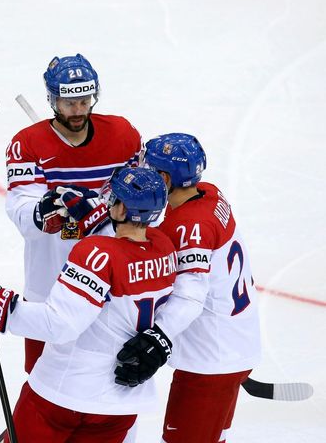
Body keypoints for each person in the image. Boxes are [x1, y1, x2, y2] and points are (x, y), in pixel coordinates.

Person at [0, 167, 175, 443]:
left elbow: (59, 325)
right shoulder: (164, 247)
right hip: (120, 403)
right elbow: (127, 251)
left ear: (121, 209)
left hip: (64, 394)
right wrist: (101, 224)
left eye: (114, 199)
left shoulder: (97, 253)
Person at [114, 133, 261, 443]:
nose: (146, 174)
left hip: (210, 360)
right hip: (233, 344)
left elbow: (190, 294)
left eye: (151, 170)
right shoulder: (209, 193)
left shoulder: (188, 228)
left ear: (165, 177)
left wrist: (159, 338)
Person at [5, 53, 142, 374]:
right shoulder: (27, 144)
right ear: (52, 100)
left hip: (107, 276)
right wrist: (45, 210)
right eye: (69, 104)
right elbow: (22, 207)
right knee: (41, 375)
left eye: (84, 100)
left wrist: (103, 206)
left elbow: (141, 195)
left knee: (108, 372)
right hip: (49, 275)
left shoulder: (122, 135)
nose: (78, 110)